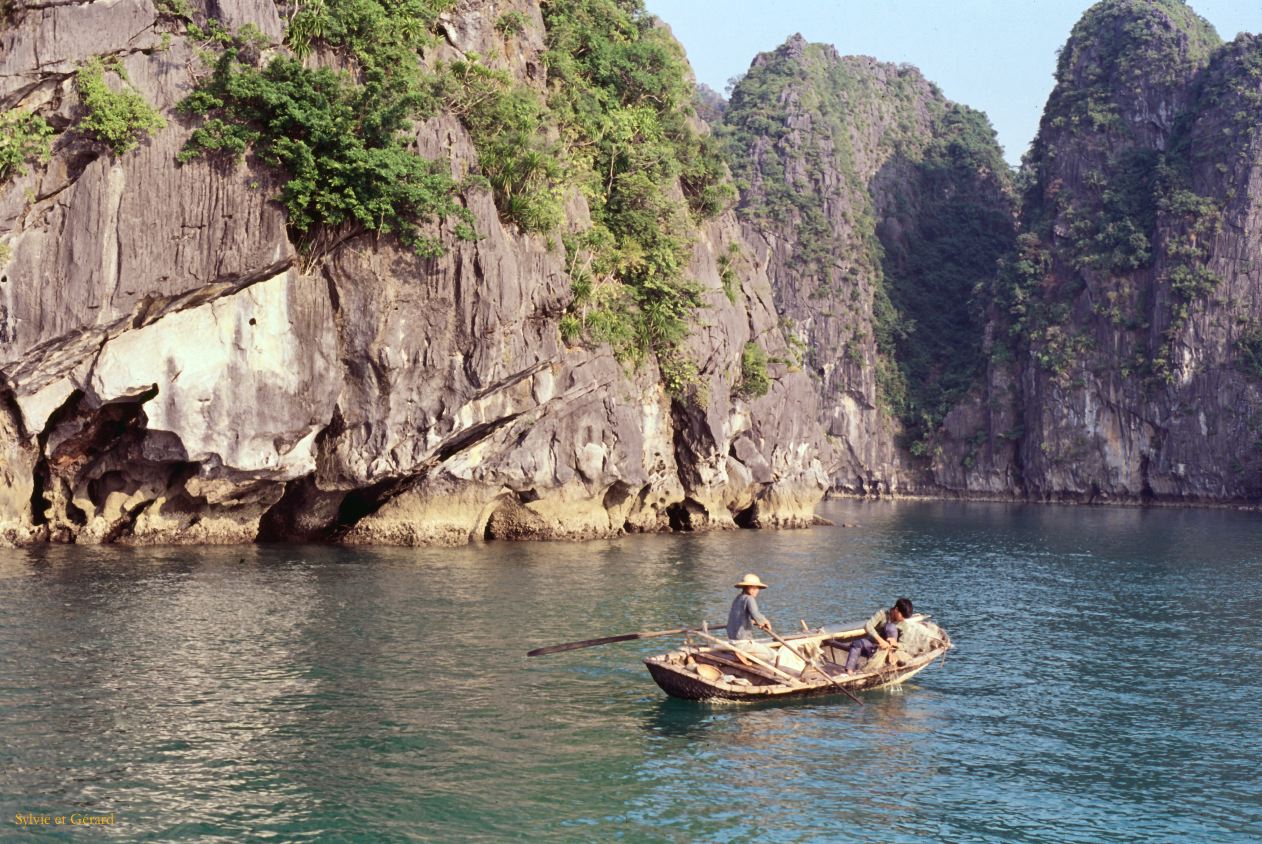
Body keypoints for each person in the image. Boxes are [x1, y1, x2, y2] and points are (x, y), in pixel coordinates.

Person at [843, 597, 914, 674]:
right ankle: (849, 672)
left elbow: (905, 645)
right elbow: (868, 625)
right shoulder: (882, 614)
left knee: (890, 627)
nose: (903, 619)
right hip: (874, 647)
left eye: (904, 618)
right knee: (856, 643)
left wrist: (896, 644)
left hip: (890, 654)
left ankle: (890, 658)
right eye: (902, 616)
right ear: (896, 610)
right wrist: (880, 641)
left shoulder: (903, 624)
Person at [726, 573, 774, 658]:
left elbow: (747, 616)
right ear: (750, 588)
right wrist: (765, 622)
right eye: (755, 588)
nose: (757, 591)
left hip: (732, 642)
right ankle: (745, 656)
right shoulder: (749, 598)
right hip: (743, 643)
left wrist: (756, 621)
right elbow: (756, 614)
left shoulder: (738, 598)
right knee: (772, 654)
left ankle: (745, 655)